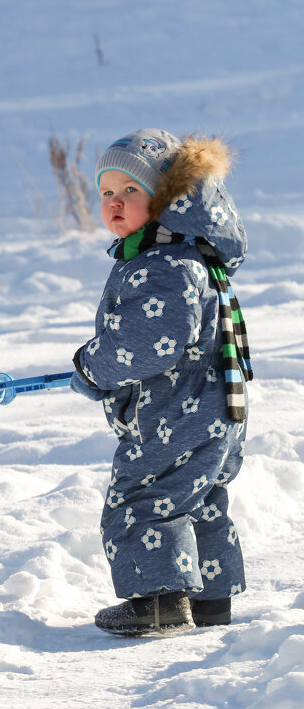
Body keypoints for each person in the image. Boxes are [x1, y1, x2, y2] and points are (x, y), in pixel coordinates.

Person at [71, 128, 252, 636]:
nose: (114, 202)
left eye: (130, 190)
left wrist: (92, 368)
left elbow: (147, 343)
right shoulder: (192, 258)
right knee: (200, 501)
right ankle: (211, 602)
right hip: (216, 410)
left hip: (176, 414)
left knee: (144, 501)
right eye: (107, 192)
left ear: (168, 199)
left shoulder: (164, 266)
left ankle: (157, 604)